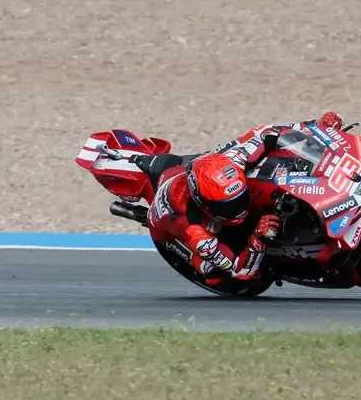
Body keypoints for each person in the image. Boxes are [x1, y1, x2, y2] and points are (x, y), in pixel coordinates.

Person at [137, 111, 345, 285]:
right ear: (205, 205)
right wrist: (258, 238)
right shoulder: (196, 233)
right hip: (176, 232)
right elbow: (241, 269)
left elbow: (270, 132)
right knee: (215, 270)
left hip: (198, 170)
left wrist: (318, 127)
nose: (239, 209)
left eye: (239, 198)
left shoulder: (236, 159)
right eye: (229, 207)